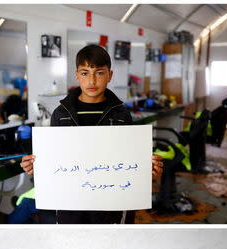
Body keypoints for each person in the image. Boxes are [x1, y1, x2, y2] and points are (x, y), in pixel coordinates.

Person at [21, 44, 163, 224]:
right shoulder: (61, 114)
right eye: (85, 73)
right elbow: (54, 159)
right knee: (73, 248)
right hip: (70, 206)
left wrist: (145, 168)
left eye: (100, 73)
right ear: (77, 75)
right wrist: (36, 168)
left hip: (112, 206)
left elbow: (129, 160)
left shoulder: (121, 114)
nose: (92, 81)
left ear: (110, 75)